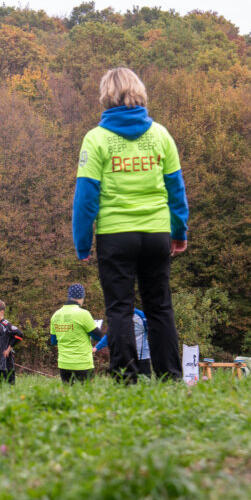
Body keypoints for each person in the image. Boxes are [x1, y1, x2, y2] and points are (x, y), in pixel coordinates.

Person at [72, 67, 188, 383]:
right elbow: (176, 190)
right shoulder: (161, 135)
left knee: (120, 309)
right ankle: (170, 378)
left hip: (115, 236)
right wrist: (179, 231)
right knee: (160, 307)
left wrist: (83, 242)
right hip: (156, 233)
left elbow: (85, 197)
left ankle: (126, 380)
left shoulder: (96, 139)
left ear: (105, 96)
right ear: (139, 92)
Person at [49, 283, 105, 383]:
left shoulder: (56, 315)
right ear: (81, 298)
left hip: (64, 364)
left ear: (69, 296)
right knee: (85, 392)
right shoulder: (83, 314)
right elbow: (98, 336)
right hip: (83, 364)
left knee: (68, 392)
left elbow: (53, 341)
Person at [94, 308, 151, 376]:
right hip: (124, 358)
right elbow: (111, 335)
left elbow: (154, 333)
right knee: (126, 381)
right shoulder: (117, 316)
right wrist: (96, 347)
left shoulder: (141, 315)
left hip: (142, 358)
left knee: (145, 380)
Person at [0, 299, 24, 384]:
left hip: (6, 358)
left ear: (2, 312)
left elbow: (20, 334)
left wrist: (8, 349)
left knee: (9, 382)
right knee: (0, 382)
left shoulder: (6, 325)